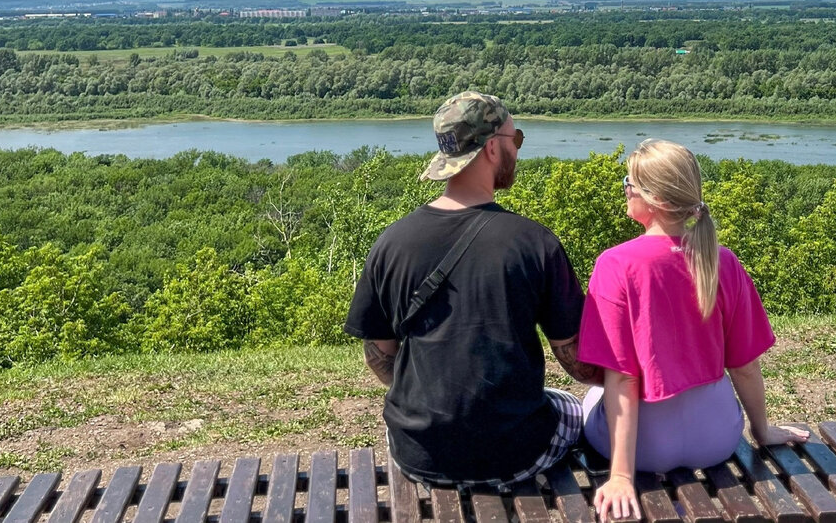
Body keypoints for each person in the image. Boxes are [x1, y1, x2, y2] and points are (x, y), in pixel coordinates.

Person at [344, 90, 601, 488]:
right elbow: (574, 359)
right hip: (515, 452)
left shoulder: (391, 242)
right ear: (492, 149)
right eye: (515, 140)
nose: (518, 150)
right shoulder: (535, 243)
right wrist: (624, 382)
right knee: (569, 403)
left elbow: (379, 354)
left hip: (416, 450)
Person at [578, 139, 808, 520]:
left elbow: (621, 379)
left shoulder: (615, 264)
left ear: (652, 198)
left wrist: (620, 475)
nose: (625, 190)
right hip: (717, 438)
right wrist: (763, 430)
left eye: (628, 182)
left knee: (587, 397)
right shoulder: (723, 261)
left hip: (643, 449)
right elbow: (745, 365)